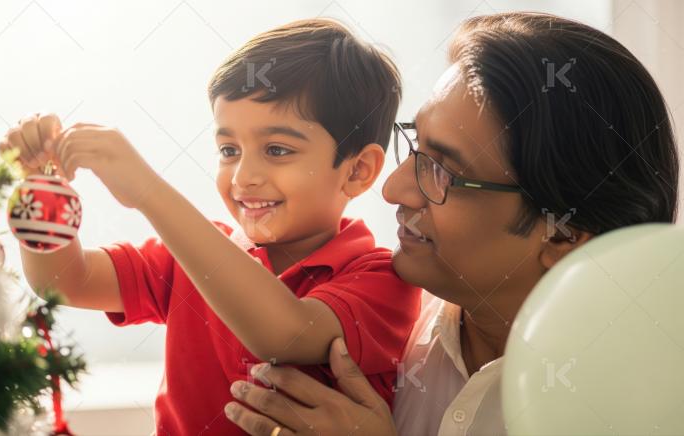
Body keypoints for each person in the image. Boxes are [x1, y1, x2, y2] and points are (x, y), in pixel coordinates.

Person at [223, 12, 679, 435]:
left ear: (563, 232)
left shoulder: (633, 406)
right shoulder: (387, 334)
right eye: (417, 148)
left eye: (442, 171)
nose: (394, 189)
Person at [0, 18, 423, 435]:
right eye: (229, 149)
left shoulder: (381, 280)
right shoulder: (193, 253)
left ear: (358, 171)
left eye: (276, 149)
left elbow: (283, 334)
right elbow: (64, 280)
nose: (243, 178)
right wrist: (42, 191)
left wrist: (149, 192)